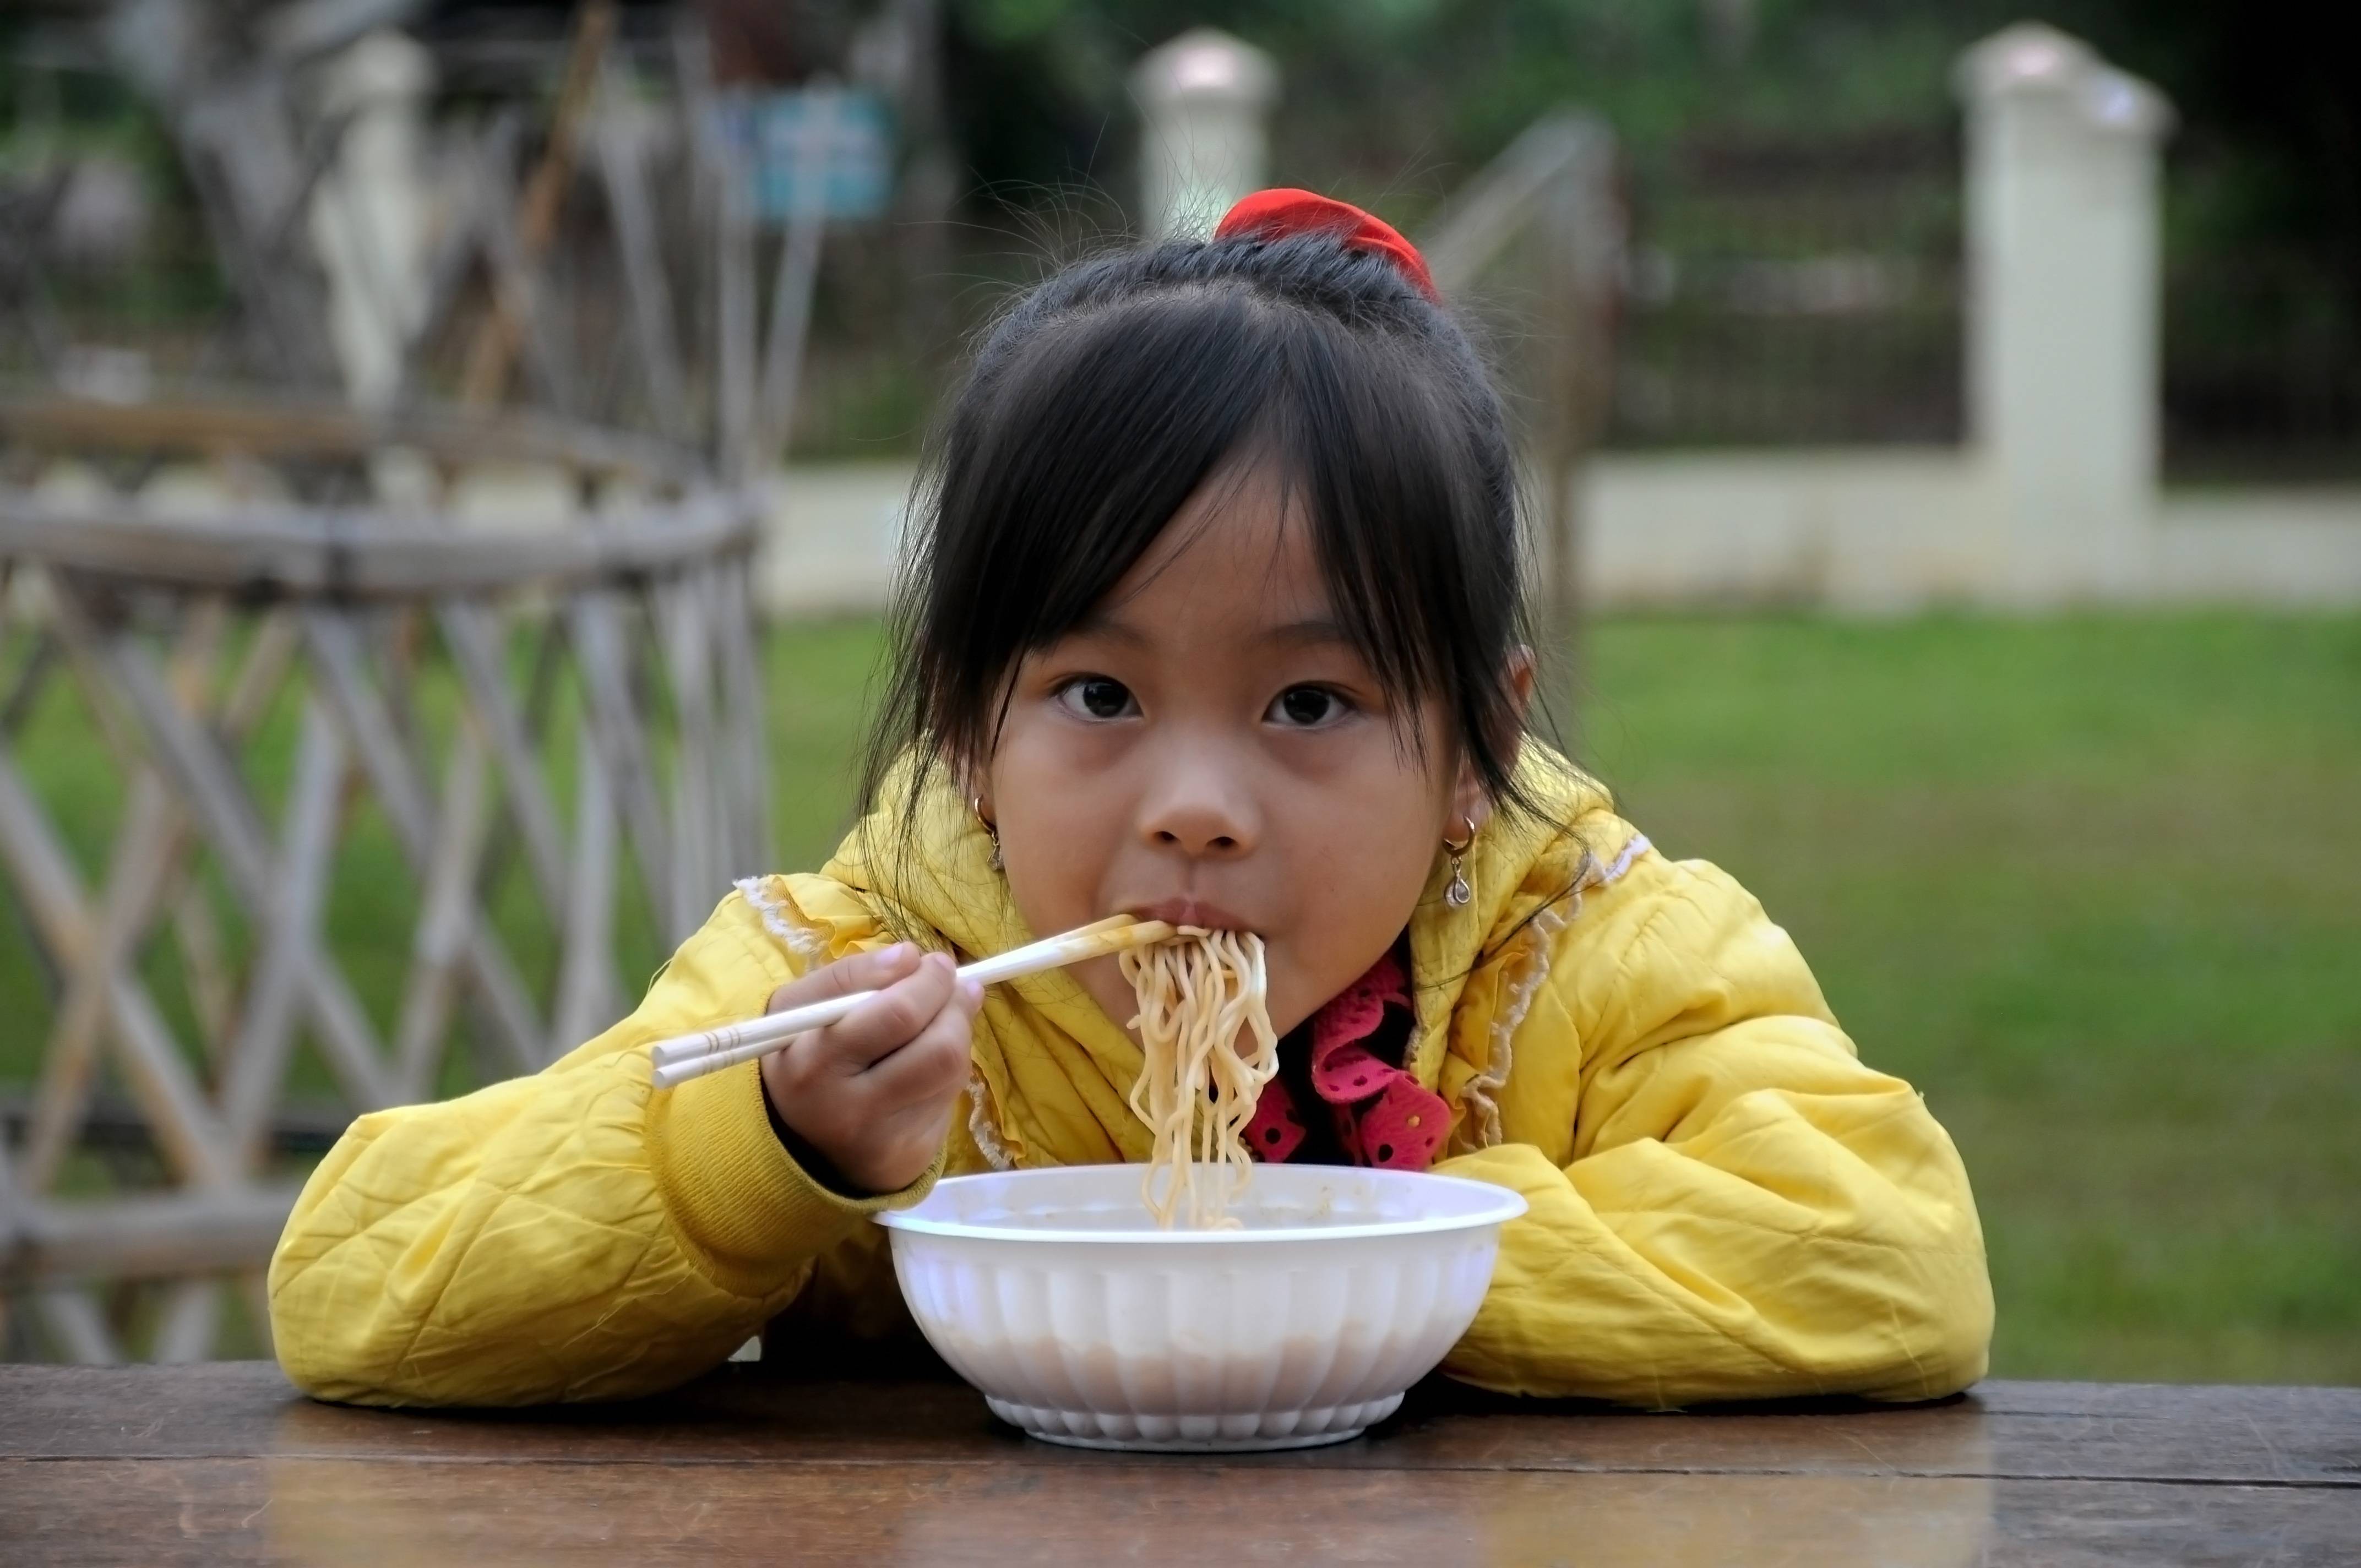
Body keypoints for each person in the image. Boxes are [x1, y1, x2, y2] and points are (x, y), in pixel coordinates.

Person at [269, 190, 1993, 1408]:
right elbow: (352, 1283)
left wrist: (1338, 1272)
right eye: (1098, 696)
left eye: (1310, 702)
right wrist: (772, 1152)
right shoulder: (864, 972)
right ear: (964, 729)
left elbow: (1886, 1252)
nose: (1195, 806)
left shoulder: (1597, 946)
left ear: (1474, 750)